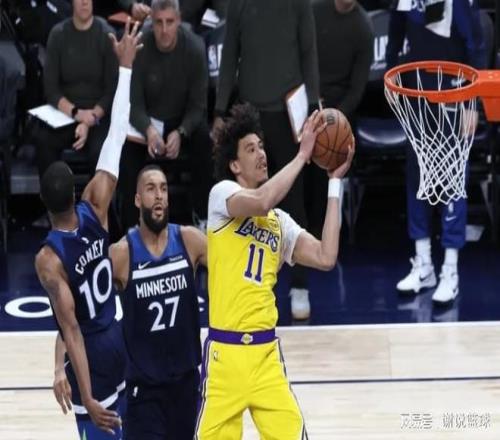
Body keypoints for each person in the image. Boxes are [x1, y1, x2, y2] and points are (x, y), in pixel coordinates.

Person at [195, 104, 354, 438]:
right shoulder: (222, 197)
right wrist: (303, 155)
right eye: (251, 149)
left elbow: (326, 256)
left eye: (262, 147)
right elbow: (261, 201)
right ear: (235, 165)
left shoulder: (280, 224)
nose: (261, 154)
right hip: (225, 357)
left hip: (266, 356)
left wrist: (334, 183)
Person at [34, 20, 142, 439]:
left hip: (94, 353)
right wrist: (126, 68)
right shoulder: (96, 206)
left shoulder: (48, 259)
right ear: (75, 191)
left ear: (44, 202)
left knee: (100, 426)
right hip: (119, 335)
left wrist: (88, 394)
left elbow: (71, 328)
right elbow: (116, 135)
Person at [54, 165, 207, 439]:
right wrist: (58, 367)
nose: (158, 195)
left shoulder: (190, 240)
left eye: (163, 189)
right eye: (151, 188)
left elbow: (232, 266)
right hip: (143, 391)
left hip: (186, 385)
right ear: (137, 199)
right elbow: (77, 312)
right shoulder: (121, 254)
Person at [214, 0, 321, 320]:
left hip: (288, 114)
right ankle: (252, 280)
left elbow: (309, 51)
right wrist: (220, 109)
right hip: (250, 115)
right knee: (248, 200)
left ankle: (299, 284)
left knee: (293, 198)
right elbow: (229, 55)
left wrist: (312, 104)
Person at [386, 0, 486, 303]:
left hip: (453, 93)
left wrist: (474, 103)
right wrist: (391, 79)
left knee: (453, 183)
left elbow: (477, 46)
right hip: (417, 94)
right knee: (417, 180)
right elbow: (394, 36)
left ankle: (450, 270)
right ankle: (424, 263)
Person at [120, 0, 212, 231]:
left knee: (204, 138)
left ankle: (202, 214)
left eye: (169, 22)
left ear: (178, 21)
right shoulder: (141, 46)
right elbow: (133, 103)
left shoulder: (194, 48)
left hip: (181, 120)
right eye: (158, 22)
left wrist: (182, 132)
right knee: (126, 148)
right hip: (148, 121)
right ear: (151, 22)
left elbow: (198, 105)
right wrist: (148, 130)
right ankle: (131, 225)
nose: (164, 29)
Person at [309, 0, 373, 236]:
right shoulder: (315, 10)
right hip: (308, 94)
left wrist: (332, 116)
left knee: (332, 145)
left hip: (341, 106)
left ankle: (327, 231)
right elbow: (301, 56)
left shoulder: (363, 28)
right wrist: (312, 99)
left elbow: (357, 90)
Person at [36, 0, 119, 180]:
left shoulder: (106, 34)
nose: (84, 2)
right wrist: (77, 114)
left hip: (98, 115)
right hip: (67, 112)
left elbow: (111, 89)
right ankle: (54, 196)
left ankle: (97, 198)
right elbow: (51, 89)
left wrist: (89, 120)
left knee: (100, 151)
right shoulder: (58, 34)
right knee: (43, 140)